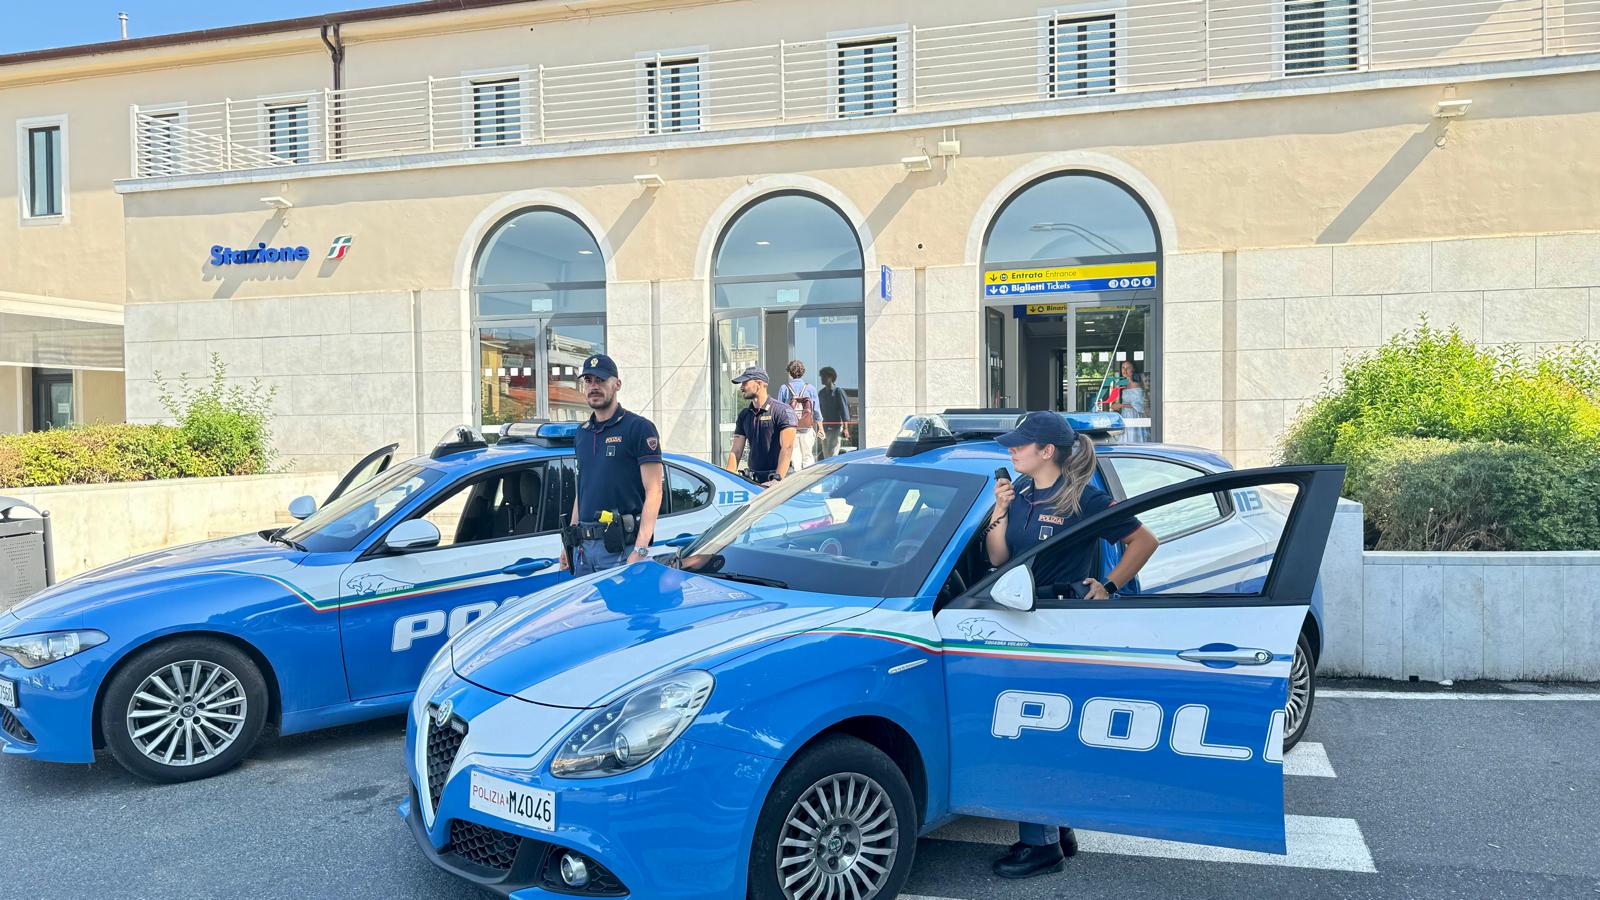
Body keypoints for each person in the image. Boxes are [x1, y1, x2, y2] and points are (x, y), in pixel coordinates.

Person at [984, 410, 1160, 879]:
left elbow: (1143, 541)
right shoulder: (1019, 493)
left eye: (1020, 444)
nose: (1011, 450)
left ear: (1047, 451)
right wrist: (999, 512)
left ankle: (1040, 847)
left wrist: (1109, 585)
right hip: (1021, 621)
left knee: (1034, 733)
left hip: (1060, 627)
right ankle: (1057, 831)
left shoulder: (1082, 496)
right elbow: (1000, 559)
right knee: (1038, 730)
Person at [560, 353, 663, 576]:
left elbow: (654, 490)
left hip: (621, 549)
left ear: (617, 384)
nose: (593, 386)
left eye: (600, 380)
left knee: (620, 611)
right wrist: (569, 542)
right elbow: (583, 489)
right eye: (588, 381)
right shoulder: (582, 433)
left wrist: (640, 549)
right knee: (584, 612)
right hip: (584, 551)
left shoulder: (639, 428)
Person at [726, 366, 796, 486]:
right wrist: (726, 479)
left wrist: (777, 480)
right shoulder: (744, 415)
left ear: (759, 383)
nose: (741, 387)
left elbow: (787, 447)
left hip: (779, 479)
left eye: (745, 382)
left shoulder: (782, 411)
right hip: (754, 480)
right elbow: (736, 451)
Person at [777, 360, 819, 471]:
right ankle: (809, 482)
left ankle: (797, 482)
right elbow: (816, 410)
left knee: (795, 457)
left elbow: (780, 410)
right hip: (807, 427)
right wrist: (821, 427)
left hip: (791, 427)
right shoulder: (810, 388)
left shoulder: (784, 388)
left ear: (790, 373)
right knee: (808, 456)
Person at [816, 366, 852, 460]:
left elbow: (844, 411)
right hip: (824, 428)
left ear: (830, 377)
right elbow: (818, 410)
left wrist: (846, 428)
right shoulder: (821, 393)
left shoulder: (838, 392)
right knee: (825, 453)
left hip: (835, 428)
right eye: (821, 377)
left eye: (824, 377)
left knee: (833, 453)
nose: (822, 379)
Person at [1119, 372, 1150, 442]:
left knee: (1133, 436)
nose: (1125, 371)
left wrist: (1121, 405)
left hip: (1134, 414)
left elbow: (1138, 405)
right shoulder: (1124, 385)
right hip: (1125, 414)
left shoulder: (1138, 388)